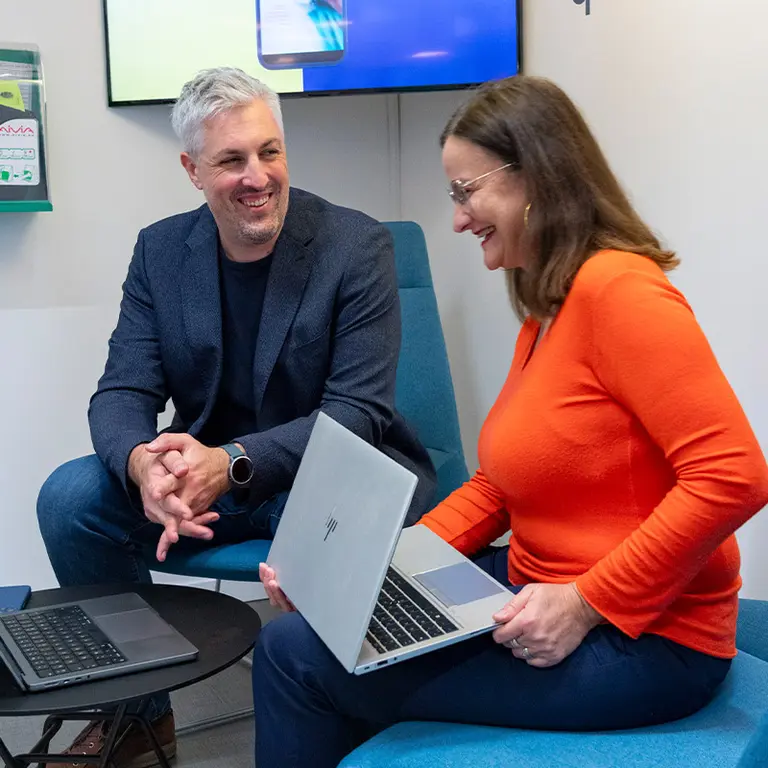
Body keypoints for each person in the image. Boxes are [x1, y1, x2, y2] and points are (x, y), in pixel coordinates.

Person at [254, 75, 768, 768]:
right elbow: (498, 487)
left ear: (535, 177)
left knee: (292, 656)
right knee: (335, 621)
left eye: (467, 193)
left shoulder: (623, 292)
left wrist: (586, 603)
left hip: (647, 641)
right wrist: (372, 565)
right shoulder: (549, 310)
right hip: (534, 588)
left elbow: (734, 475)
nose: (459, 219)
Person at [35, 67, 435, 767]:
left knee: (331, 527)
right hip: (209, 478)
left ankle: (346, 726)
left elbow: (358, 414)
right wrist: (144, 466)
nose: (258, 176)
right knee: (70, 500)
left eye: (270, 152)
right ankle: (139, 717)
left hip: (325, 472)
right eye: (231, 160)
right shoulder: (161, 251)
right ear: (192, 170)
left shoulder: (355, 246)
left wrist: (231, 463)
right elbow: (121, 391)